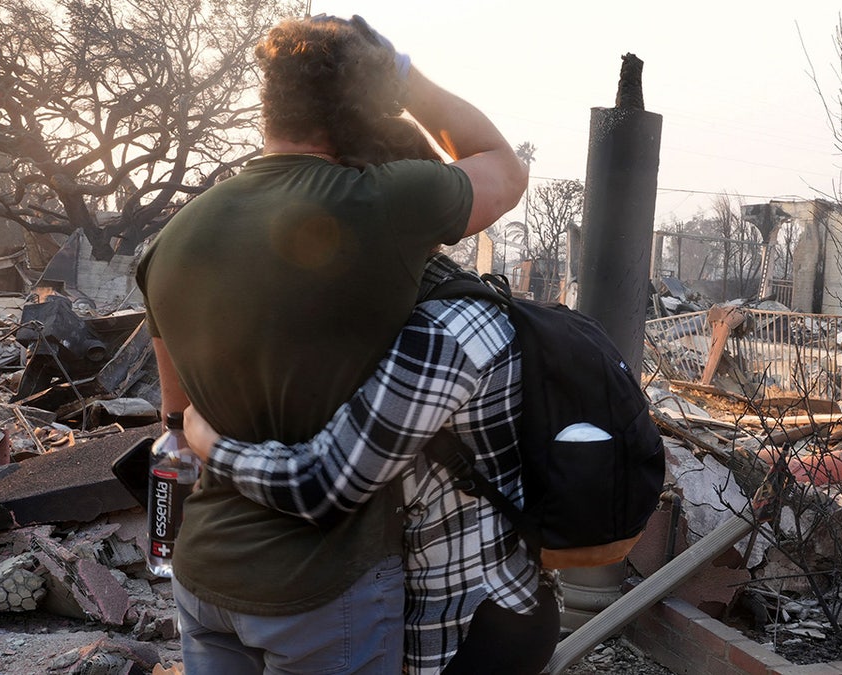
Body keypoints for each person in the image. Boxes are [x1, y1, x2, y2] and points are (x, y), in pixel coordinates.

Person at [135, 15, 526, 674]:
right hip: (320, 590)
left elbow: (177, 421)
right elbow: (504, 172)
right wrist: (408, 80)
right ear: (362, 103)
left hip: (203, 578)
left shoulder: (170, 240)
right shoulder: (382, 204)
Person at [183, 250, 560, 675]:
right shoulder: (425, 301)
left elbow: (324, 484)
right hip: (483, 597)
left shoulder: (442, 332)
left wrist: (213, 447)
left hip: (468, 622)